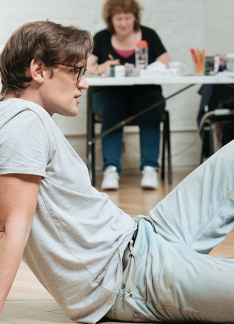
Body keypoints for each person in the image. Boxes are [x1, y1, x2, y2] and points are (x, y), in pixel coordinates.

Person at [0, 21, 234, 324]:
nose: (84, 83)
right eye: (76, 71)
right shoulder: (22, 121)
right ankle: (226, 275)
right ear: (38, 70)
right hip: (126, 280)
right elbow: (9, 227)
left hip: (140, 236)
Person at [86, 0, 171, 190]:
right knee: (113, 108)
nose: (123, 23)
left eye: (127, 18)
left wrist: (153, 69)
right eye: (119, 19)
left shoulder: (149, 35)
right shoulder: (101, 37)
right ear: (111, 19)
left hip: (144, 93)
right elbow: (84, 66)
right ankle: (111, 170)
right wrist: (101, 68)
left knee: (151, 105)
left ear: (135, 17)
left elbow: (166, 63)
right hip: (108, 94)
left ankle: (150, 168)